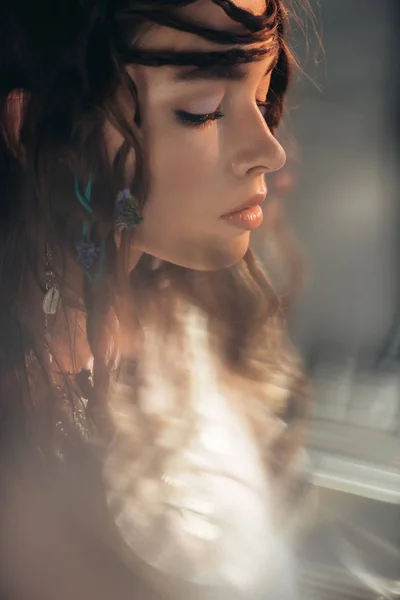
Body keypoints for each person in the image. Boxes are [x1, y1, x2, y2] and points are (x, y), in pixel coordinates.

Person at [0, 0, 310, 598]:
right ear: (36, 126)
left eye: (263, 96)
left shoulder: (193, 326)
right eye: (202, 112)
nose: (269, 149)